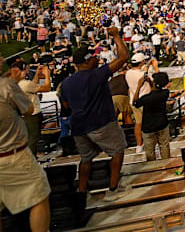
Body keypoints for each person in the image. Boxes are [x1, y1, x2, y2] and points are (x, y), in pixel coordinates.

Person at [60, 27, 132, 202]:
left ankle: (82, 193)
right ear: (86, 61)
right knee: (117, 151)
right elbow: (123, 57)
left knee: (85, 159)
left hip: (79, 126)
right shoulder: (96, 75)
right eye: (94, 57)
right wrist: (116, 35)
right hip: (101, 122)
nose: (97, 59)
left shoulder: (66, 83)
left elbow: (66, 105)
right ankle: (113, 189)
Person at [0, 58, 51, 232]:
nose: (1, 60)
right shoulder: (6, 86)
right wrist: (13, 83)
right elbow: (27, 108)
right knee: (39, 196)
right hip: (13, 154)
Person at [9, 61, 51, 155]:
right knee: (33, 139)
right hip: (33, 115)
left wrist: (36, 74)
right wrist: (47, 74)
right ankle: (32, 160)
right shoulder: (25, 84)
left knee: (28, 139)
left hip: (22, 115)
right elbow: (46, 88)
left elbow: (32, 86)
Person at [132, 72, 172, 161]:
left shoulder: (146, 98)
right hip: (162, 124)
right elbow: (156, 91)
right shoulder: (165, 93)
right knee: (164, 146)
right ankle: (166, 164)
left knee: (150, 151)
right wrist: (151, 83)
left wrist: (139, 86)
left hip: (148, 127)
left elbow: (135, 103)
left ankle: (152, 167)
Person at [126, 53, 152, 152]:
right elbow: (152, 83)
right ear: (141, 62)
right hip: (145, 100)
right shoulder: (143, 74)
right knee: (149, 123)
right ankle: (151, 143)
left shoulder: (128, 73)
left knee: (138, 123)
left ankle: (139, 145)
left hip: (134, 100)